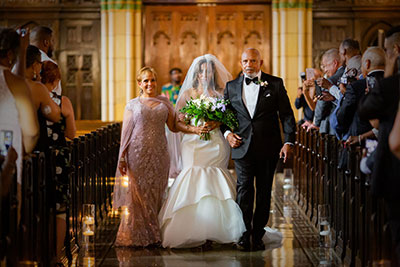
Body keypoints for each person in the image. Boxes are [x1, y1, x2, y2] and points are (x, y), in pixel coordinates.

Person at [158, 54, 246, 248]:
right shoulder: (189, 93)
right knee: (193, 176)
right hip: (193, 143)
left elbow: (231, 118)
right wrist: (195, 129)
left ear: (213, 73)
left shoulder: (222, 92)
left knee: (215, 177)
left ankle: (221, 229)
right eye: (202, 71)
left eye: (209, 71)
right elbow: (178, 123)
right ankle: (191, 229)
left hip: (215, 142)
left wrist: (217, 121)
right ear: (197, 74)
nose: (206, 75)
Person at [113, 67, 205, 247]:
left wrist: (194, 125)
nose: (150, 84)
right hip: (137, 154)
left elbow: (174, 126)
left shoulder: (164, 102)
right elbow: (125, 134)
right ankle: (139, 235)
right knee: (138, 194)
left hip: (159, 153)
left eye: (152, 80)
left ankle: (155, 232)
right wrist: (122, 158)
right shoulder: (132, 105)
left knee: (157, 192)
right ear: (139, 83)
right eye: (145, 81)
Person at [224, 48, 296, 251]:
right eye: (245, 61)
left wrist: (288, 141)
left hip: (268, 146)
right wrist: (228, 134)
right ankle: (243, 233)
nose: (249, 64)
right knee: (244, 190)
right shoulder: (231, 87)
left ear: (260, 62)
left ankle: (258, 234)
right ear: (241, 63)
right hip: (241, 146)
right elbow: (224, 116)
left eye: (253, 61)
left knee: (264, 192)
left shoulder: (275, 83)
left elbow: (287, 115)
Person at [358, 26, 400, 265]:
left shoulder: (390, 85)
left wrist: (389, 74)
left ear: (395, 51)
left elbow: (366, 109)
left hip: (395, 168)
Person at [41, 61, 75, 263]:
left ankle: (37, 251)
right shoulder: (63, 101)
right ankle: (56, 254)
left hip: (39, 155)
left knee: (38, 203)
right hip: (59, 157)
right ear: (56, 80)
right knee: (60, 205)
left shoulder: (32, 98)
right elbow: (71, 133)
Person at [0, 27, 39, 185]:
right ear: (10, 55)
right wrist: (23, 151)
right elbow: (31, 132)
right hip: (6, 159)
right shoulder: (16, 84)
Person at [25, 45, 61, 152]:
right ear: (35, 65)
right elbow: (55, 115)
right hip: (33, 146)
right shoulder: (36, 88)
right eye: (40, 64)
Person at [30, 26, 62, 95]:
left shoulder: (20, 61)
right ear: (46, 42)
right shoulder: (49, 63)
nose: (54, 45)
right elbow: (56, 93)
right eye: (52, 41)